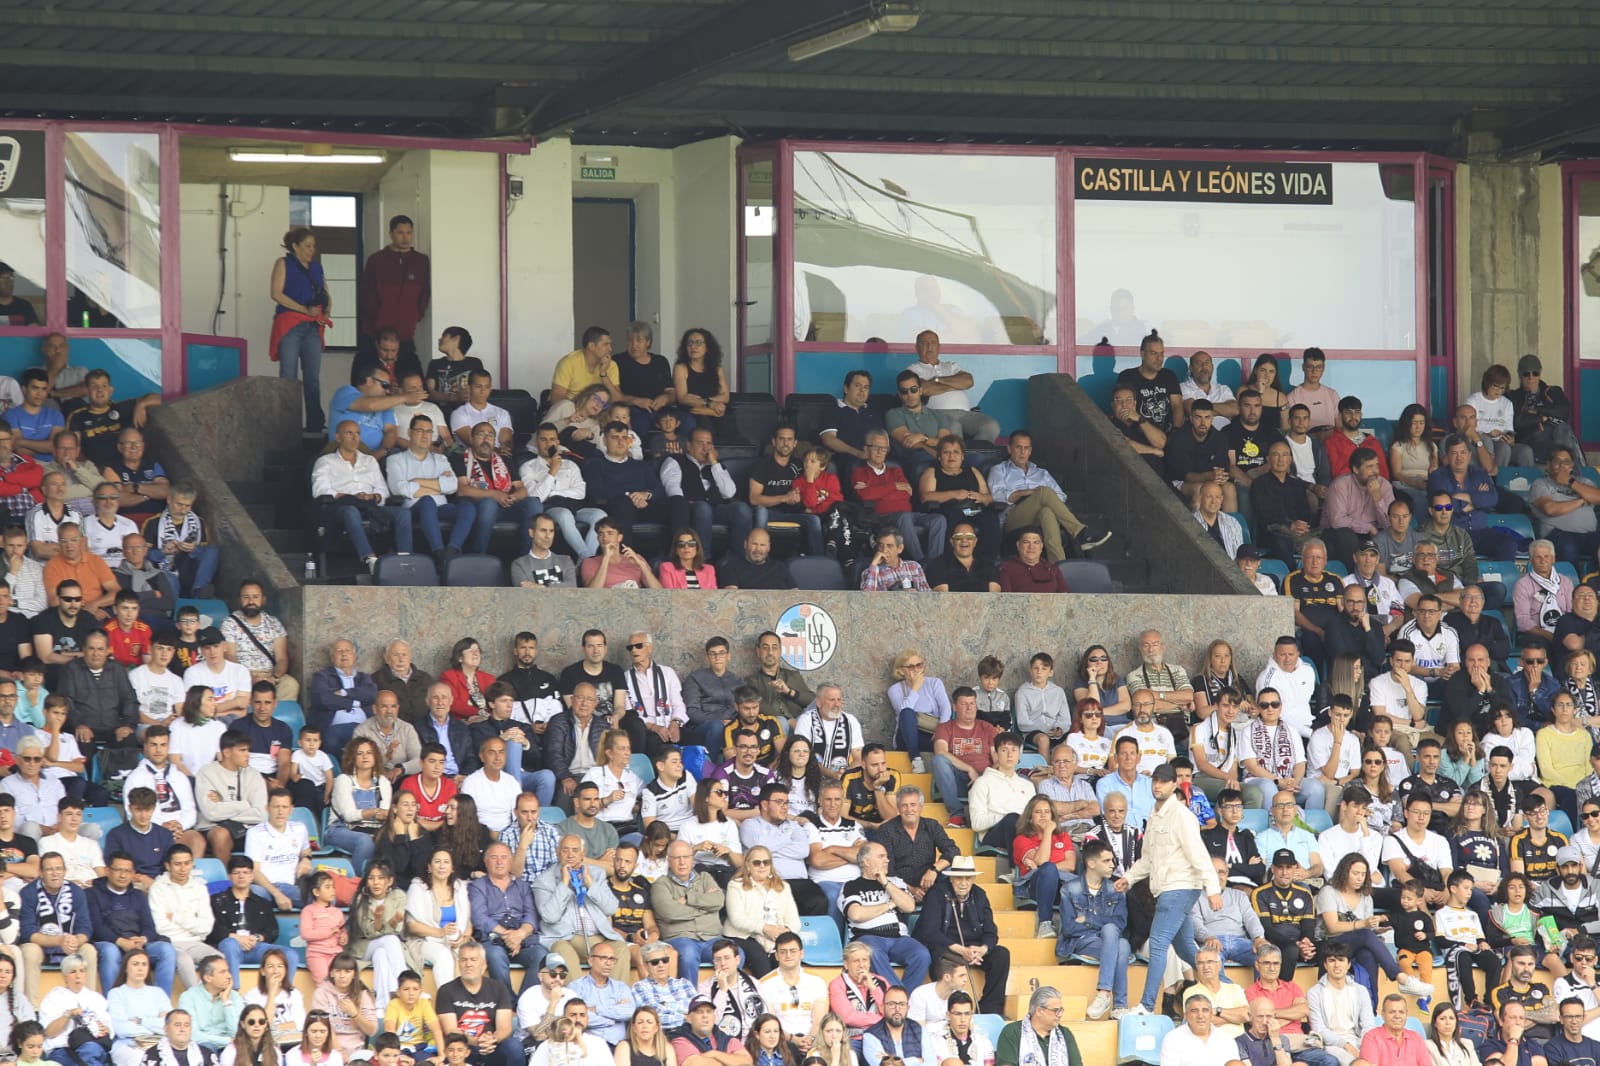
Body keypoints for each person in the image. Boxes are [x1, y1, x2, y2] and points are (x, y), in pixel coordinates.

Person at [1118, 762, 1223, 1016]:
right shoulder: (1154, 815)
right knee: (1187, 949)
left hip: (1180, 887)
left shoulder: (1183, 816)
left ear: (1174, 785)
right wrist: (1129, 878)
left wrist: (1213, 888)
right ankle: (1226, 990)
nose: (1158, 785)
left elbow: (1198, 854)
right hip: (1166, 888)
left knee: (1158, 944)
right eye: (1155, 781)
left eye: (1163, 781)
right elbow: (1148, 858)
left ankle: (1145, 1005)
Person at [1056, 838, 1132, 1019]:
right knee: (1119, 943)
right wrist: (1102, 922)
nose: (1112, 865)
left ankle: (1104, 994)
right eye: (1106, 861)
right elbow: (1069, 928)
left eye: (1112, 860)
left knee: (1114, 935)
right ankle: (1119, 1005)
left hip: (1108, 940)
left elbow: (1121, 923)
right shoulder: (1070, 889)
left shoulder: (1116, 889)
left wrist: (1088, 919)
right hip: (1081, 941)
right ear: (1091, 863)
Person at [87, 853, 178, 997]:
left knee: (166, 950)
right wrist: (121, 942)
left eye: (128, 871)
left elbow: (149, 926)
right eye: (118, 870)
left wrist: (143, 939)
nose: (123, 875)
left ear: (133, 874)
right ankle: (112, 1004)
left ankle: (162, 1005)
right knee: (111, 952)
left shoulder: (138, 895)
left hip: (137, 944)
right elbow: (96, 927)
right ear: (107, 871)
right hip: (110, 943)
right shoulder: (92, 894)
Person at [206, 855, 295, 991]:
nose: (241, 876)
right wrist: (236, 938)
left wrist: (257, 938)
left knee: (289, 954)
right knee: (229, 944)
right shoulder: (216, 901)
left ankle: (285, 993)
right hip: (229, 948)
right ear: (229, 876)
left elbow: (272, 930)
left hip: (256, 947)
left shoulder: (262, 903)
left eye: (246, 872)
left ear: (252, 876)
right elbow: (211, 929)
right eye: (236, 873)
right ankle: (233, 991)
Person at [1508, 354, 1584, 464]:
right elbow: (1516, 420)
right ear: (1519, 374)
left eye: (1535, 373)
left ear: (1540, 373)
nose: (1531, 377)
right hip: (1530, 437)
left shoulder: (1552, 391)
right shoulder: (1514, 396)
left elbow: (1564, 410)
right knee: (1555, 432)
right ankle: (1569, 472)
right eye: (1526, 374)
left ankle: (1569, 472)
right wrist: (1540, 419)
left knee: (1564, 429)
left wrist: (1538, 410)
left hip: (1556, 436)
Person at [995, 986, 1082, 1066]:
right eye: (1056, 1010)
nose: (1059, 1015)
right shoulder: (1013, 1032)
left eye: (1061, 1010)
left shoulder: (1065, 1033)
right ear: (1039, 1011)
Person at [177, 957, 243, 1054]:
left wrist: (226, 1001)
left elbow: (238, 1032)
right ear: (208, 978)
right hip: (203, 1046)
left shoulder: (234, 996)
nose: (229, 976)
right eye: (223, 972)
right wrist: (227, 1041)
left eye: (228, 971)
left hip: (230, 1047)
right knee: (207, 1048)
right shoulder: (188, 997)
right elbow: (192, 1034)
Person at [673, 330, 729, 434]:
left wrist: (705, 402)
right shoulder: (681, 368)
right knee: (703, 425)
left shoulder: (717, 369)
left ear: (707, 347)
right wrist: (710, 403)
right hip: (690, 411)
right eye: (690, 343)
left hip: (714, 410)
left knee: (728, 423)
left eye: (698, 343)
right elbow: (683, 398)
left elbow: (725, 396)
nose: (693, 347)